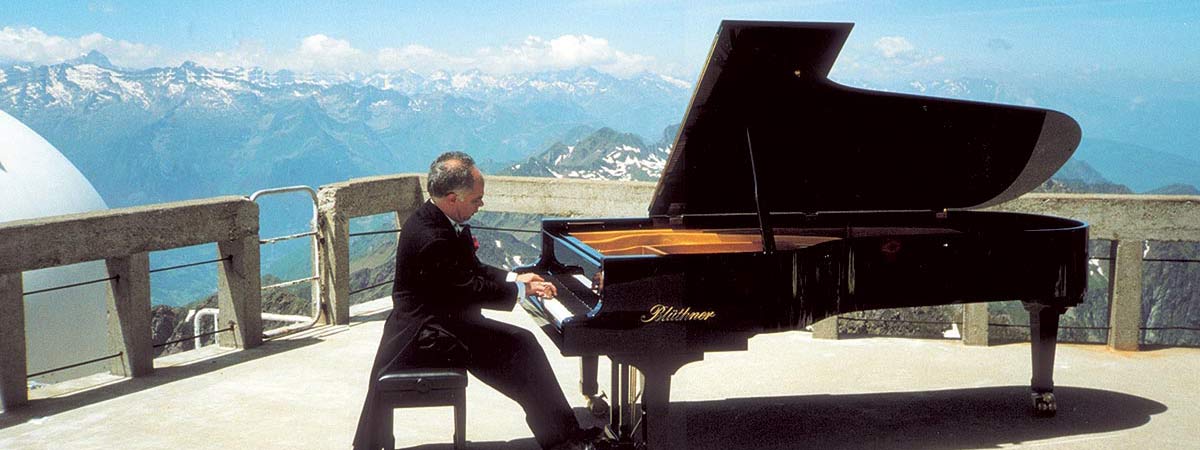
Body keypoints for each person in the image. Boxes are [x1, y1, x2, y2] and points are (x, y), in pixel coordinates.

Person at [353, 151, 599, 450]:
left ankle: (562, 435)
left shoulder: (437, 220)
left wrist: (516, 278)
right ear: (453, 197)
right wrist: (523, 292)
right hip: (424, 336)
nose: (481, 205)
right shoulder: (431, 237)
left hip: (441, 323)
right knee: (521, 347)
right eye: (476, 199)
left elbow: (472, 270)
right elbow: (467, 288)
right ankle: (562, 438)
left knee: (521, 347)